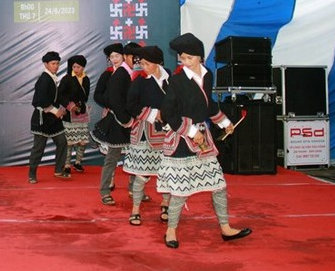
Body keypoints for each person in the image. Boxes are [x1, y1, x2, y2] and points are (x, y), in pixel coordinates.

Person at [158, 32, 252, 248]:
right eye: (182, 58)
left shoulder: (208, 75)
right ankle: (171, 230)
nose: (185, 62)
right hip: (181, 138)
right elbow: (167, 113)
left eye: (189, 58)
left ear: (200, 57)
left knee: (218, 185)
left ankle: (226, 228)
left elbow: (208, 105)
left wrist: (224, 122)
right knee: (180, 191)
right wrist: (191, 131)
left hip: (203, 138)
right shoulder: (177, 79)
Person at [124, 45, 170, 225]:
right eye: (141, 63)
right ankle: (135, 209)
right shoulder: (140, 80)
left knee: (166, 173)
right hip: (144, 132)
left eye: (147, 63)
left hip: (165, 133)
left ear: (158, 63)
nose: (143, 67)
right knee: (141, 174)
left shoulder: (169, 78)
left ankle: (166, 205)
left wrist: (165, 114)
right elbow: (131, 105)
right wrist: (153, 114)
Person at [91, 43, 137, 206]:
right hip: (117, 119)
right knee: (112, 156)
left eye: (118, 56)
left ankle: (134, 189)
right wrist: (111, 106)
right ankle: (105, 189)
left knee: (135, 156)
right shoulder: (111, 74)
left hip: (130, 120)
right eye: (112, 57)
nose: (115, 59)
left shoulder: (132, 73)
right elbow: (102, 95)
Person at [28, 51, 69, 183]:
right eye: (53, 64)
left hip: (52, 119)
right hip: (42, 119)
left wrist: (61, 109)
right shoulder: (44, 79)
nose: (56, 66)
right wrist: (55, 110)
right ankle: (32, 174)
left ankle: (58, 170)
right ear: (46, 64)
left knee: (62, 142)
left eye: (57, 63)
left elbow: (55, 98)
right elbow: (40, 100)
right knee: (38, 148)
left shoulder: (52, 77)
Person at [58, 55, 91, 173]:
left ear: (83, 67)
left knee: (82, 141)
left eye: (78, 67)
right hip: (69, 114)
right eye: (74, 67)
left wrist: (80, 105)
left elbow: (86, 96)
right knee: (69, 142)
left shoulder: (86, 79)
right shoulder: (67, 78)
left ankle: (77, 162)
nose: (76, 69)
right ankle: (66, 165)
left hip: (81, 113)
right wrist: (71, 106)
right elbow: (59, 96)